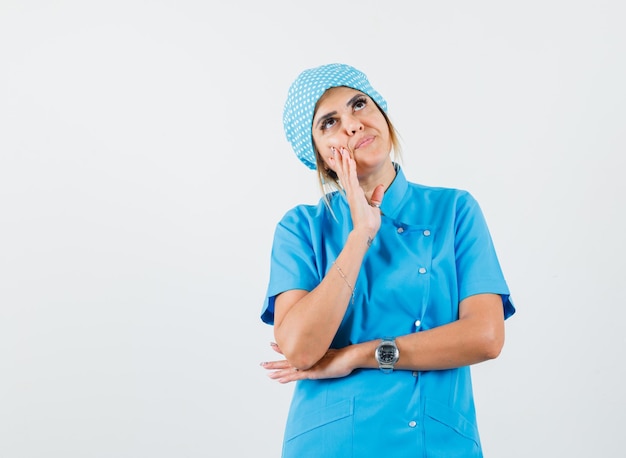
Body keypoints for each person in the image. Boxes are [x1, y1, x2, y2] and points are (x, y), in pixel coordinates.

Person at [260, 63, 515, 457]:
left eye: (359, 104)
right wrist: (360, 235)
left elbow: (485, 337)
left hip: (437, 442)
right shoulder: (301, 229)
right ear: (322, 158)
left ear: (382, 113)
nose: (353, 124)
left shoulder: (454, 210)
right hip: (330, 445)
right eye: (329, 122)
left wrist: (360, 354)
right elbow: (299, 349)